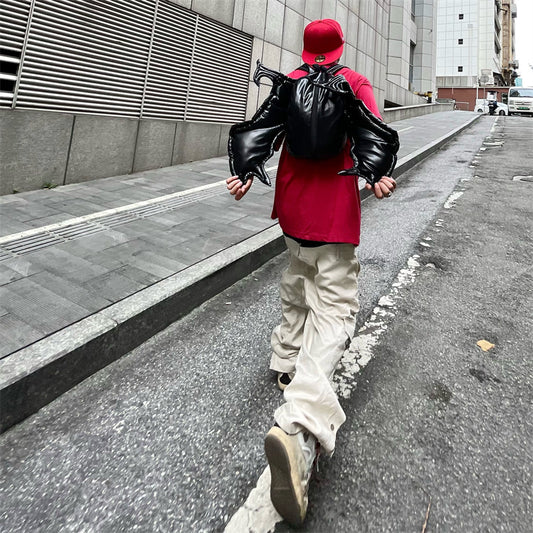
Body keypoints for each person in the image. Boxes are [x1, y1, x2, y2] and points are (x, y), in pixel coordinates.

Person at [226, 19, 396, 526]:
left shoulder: (290, 80)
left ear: (305, 48)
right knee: (336, 307)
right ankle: (299, 424)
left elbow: (261, 132)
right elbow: (372, 131)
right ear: (339, 47)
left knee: (296, 282)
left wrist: (239, 176)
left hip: (293, 212)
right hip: (335, 216)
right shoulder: (353, 81)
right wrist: (379, 174)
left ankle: (284, 360)